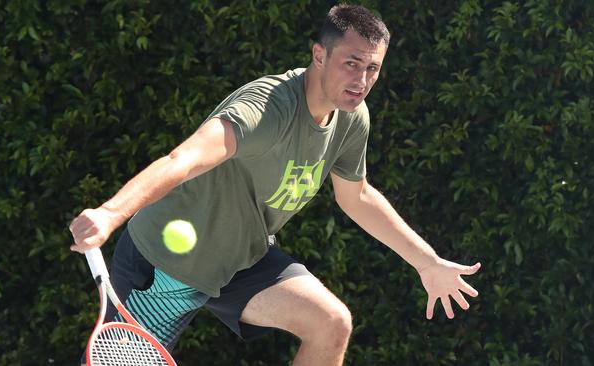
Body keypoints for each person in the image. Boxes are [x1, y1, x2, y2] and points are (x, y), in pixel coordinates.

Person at [70, 4, 481, 365]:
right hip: (164, 266)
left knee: (330, 323)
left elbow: (356, 196)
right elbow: (184, 160)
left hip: (240, 259)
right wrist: (110, 213)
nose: (362, 79)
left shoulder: (353, 117)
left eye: (372, 68)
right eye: (351, 63)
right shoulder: (265, 109)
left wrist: (426, 262)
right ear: (319, 55)